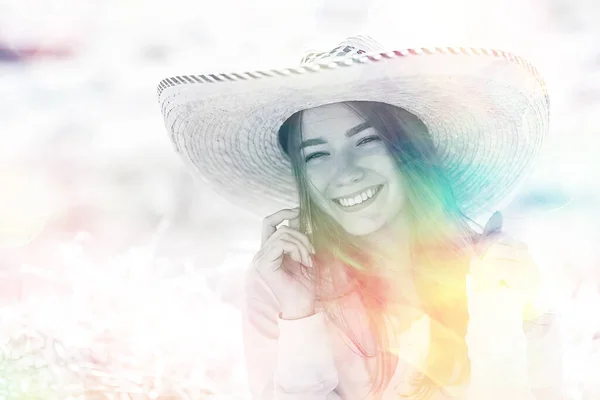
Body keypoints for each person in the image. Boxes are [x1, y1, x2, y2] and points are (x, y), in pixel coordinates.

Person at [156, 36, 562, 399]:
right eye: (316, 154)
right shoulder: (280, 282)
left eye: (366, 141)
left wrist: (496, 314)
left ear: (409, 152)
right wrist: (300, 314)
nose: (344, 172)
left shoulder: (497, 268)